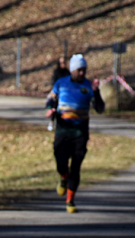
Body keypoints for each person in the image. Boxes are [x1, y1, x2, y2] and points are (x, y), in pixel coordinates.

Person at [44, 54, 104, 213]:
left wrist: (97, 92)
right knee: (61, 163)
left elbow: (100, 108)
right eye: (80, 70)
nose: (83, 73)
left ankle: (70, 200)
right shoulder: (61, 83)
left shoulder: (89, 86)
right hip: (63, 129)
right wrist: (49, 109)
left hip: (80, 132)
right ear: (72, 70)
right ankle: (63, 177)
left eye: (84, 70)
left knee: (76, 166)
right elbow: (50, 99)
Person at [48, 57, 70, 131]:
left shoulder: (67, 72)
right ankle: (52, 121)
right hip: (57, 93)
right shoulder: (56, 72)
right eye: (61, 63)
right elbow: (54, 82)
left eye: (64, 62)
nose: (62, 64)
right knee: (54, 108)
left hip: (65, 94)